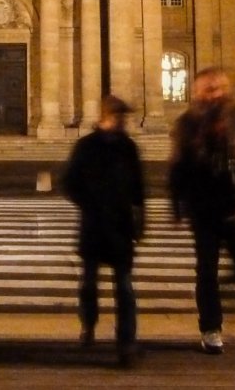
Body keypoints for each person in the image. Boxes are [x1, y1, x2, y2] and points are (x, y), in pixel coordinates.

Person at [168, 66, 235, 355]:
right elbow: (178, 165)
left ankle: (228, 286)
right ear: (197, 92)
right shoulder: (188, 123)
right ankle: (211, 327)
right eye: (209, 89)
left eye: (219, 88)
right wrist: (178, 204)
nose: (215, 94)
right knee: (206, 268)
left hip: (230, 202)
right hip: (202, 203)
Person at [63, 95, 145, 368]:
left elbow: (139, 188)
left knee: (124, 287)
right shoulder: (86, 147)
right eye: (119, 115)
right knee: (89, 283)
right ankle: (89, 322)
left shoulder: (128, 147)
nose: (123, 120)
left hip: (120, 225)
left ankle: (126, 343)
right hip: (95, 224)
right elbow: (69, 183)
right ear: (107, 116)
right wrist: (90, 204)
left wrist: (140, 220)